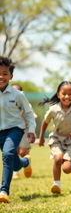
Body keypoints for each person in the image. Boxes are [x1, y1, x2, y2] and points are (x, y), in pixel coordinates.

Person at [38, 81, 71, 194]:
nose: (67, 96)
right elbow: (45, 122)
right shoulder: (53, 109)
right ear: (58, 94)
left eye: (70, 94)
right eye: (64, 93)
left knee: (66, 169)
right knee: (57, 158)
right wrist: (41, 138)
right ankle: (56, 184)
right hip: (57, 139)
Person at [0, 56, 36, 203]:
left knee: (8, 154)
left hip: (14, 129)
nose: (1, 76)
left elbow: (28, 113)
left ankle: (3, 191)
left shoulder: (18, 95)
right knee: (12, 160)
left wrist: (31, 130)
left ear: (11, 76)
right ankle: (25, 163)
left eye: (4, 73)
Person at [11, 84, 37, 179]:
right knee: (13, 150)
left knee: (22, 152)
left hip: (24, 131)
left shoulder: (26, 104)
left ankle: (27, 163)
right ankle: (15, 171)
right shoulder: (7, 103)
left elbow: (33, 116)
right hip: (12, 130)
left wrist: (31, 128)